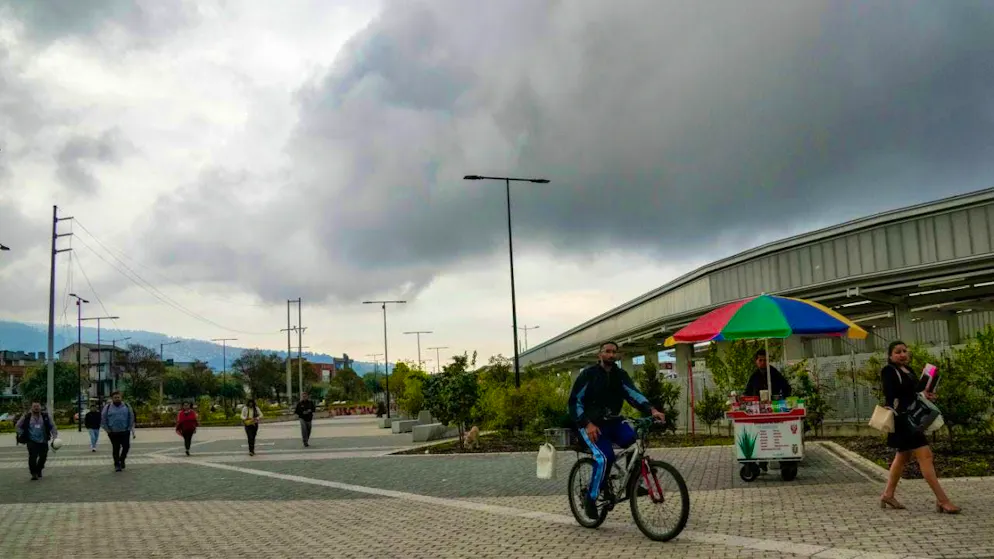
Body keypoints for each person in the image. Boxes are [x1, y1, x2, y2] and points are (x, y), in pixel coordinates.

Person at [568, 341, 666, 520]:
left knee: (633, 441)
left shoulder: (620, 375)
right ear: (600, 355)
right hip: (591, 425)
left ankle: (632, 485)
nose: (611, 355)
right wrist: (587, 423)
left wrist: (652, 410)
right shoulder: (588, 375)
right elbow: (575, 402)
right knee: (605, 457)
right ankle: (591, 499)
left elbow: (633, 394)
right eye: (607, 351)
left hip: (613, 421)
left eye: (614, 352)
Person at [879, 341, 960, 513]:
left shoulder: (909, 370)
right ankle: (942, 500)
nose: (902, 354)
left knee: (902, 458)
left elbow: (916, 392)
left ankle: (888, 494)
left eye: (904, 351)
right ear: (890, 355)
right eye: (897, 352)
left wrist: (926, 395)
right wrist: (917, 394)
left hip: (913, 419)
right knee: (926, 456)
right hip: (904, 420)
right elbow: (890, 394)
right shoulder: (889, 371)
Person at [15, 401, 58, 481]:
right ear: (31, 407)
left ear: (40, 407)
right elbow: (17, 426)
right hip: (31, 441)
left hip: (43, 440)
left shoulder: (45, 416)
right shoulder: (26, 416)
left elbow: (53, 426)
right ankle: (33, 473)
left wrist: (55, 437)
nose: (36, 408)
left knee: (43, 457)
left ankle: (39, 469)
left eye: (37, 406)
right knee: (32, 457)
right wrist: (23, 433)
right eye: (34, 406)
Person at [102, 391, 136, 472]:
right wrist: (108, 430)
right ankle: (117, 464)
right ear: (112, 398)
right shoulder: (107, 407)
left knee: (126, 446)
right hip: (113, 432)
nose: (117, 399)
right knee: (116, 448)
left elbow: (131, 417)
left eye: (118, 397)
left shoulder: (127, 406)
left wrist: (129, 428)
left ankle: (122, 459)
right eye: (115, 397)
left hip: (125, 431)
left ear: (121, 397)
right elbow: (103, 419)